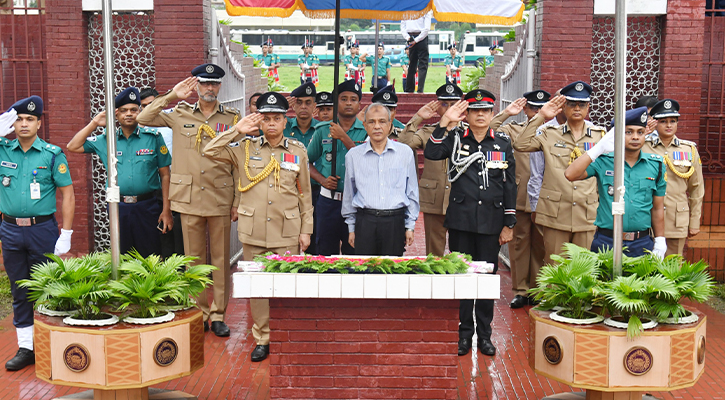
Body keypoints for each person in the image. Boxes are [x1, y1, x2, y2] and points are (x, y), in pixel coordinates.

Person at [204, 91, 313, 363]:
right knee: (258, 288)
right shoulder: (244, 148)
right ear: (259, 122)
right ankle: (262, 338)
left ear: (285, 121)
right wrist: (237, 130)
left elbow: (305, 195)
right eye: (266, 118)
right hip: (253, 232)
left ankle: (286, 335)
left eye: (277, 118)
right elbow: (209, 150)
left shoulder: (297, 151)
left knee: (287, 287)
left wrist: (306, 229)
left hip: (286, 230)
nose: (272, 123)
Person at [136, 63, 240, 337]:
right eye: (204, 83)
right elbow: (143, 118)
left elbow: (239, 162)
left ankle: (218, 315)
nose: (209, 88)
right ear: (197, 86)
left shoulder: (232, 118)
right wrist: (172, 96)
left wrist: (237, 200)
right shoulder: (178, 113)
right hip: (189, 196)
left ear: (219, 86)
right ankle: (200, 312)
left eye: (214, 83)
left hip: (220, 195)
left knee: (219, 260)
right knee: (193, 259)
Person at [424, 90, 516, 357]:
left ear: (491, 114)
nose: (480, 115)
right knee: (463, 279)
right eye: (475, 110)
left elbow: (510, 185)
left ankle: (485, 336)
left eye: (485, 111)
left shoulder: (502, 143)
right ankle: (464, 335)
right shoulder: (454, 138)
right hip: (462, 221)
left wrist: (509, 223)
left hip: (491, 222)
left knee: (486, 280)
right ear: (468, 114)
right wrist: (444, 124)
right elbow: (431, 153)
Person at [0, 96, 75, 371]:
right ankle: (26, 348)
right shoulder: (3, 149)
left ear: (39, 122)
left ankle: (52, 343)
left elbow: (67, 194)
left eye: (29, 119)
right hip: (9, 228)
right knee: (19, 288)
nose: (23, 124)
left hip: (41, 229)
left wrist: (66, 232)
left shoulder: (52, 154)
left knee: (49, 287)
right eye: (18, 119)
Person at [67, 87, 172, 257]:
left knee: (151, 256)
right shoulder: (107, 140)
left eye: (133, 110)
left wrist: (166, 210)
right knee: (122, 256)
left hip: (149, 206)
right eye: (123, 111)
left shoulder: (153, 137)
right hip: (118, 207)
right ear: (116, 115)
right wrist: (94, 123)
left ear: (140, 112)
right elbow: (73, 146)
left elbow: (165, 175)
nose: (128, 114)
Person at [513, 81, 605, 264]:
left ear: (588, 107)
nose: (577, 108)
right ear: (563, 106)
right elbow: (520, 145)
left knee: (584, 269)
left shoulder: (600, 135)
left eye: (582, 104)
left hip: (586, 212)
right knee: (555, 268)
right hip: (555, 212)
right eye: (571, 104)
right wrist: (541, 116)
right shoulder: (548, 132)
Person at [565, 107, 667, 258]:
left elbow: (657, 208)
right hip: (607, 241)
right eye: (628, 132)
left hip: (642, 242)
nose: (635, 137)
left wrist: (660, 240)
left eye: (640, 132)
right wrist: (598, 149)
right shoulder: (604, 161)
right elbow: (570, 174)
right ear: (617, 135)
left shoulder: (656, 165)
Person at [489, 90, 550, 309]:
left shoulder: (556, 131)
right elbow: (489, 130)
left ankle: (540, 289)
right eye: (533, 109)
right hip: (522, 195)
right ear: (525, 109)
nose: (537, 114)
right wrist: (506, 113)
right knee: (520, 244)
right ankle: (521, 290)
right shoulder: (515, 130)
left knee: (544, 245)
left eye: (541, 110)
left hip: (550, 197)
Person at [342, 103, 419, 256]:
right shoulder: (353, 156)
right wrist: (351, 228)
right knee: (364, 273)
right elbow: (349, 194)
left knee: (392, 273)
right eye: (372, 122)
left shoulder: (405, 153)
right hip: (365, 221)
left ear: (390, 124)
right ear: (364, 125)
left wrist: (410, 226)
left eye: (382, 121)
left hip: (394, 221)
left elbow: (412, 191)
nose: (377, 126)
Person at [398, 83, 463, 256]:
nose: (449, 109)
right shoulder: (429, 132)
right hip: (435, 197)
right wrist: (418, 118)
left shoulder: (469, 133)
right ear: (437, 106)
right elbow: (404, 145)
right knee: (434, 253)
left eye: (453, 104)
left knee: (462, 250)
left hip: (462, 198)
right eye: (444, 104)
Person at [307, 80, 368, 255]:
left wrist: (344, 138)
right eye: (343, 99)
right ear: (336, 102)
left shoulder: (366, 131)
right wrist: (322, 180)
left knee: (355, 254)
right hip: (328, 201)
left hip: (357, 202)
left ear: (359, 104)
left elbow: (368, 162)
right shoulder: (323, 130)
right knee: (325, 252)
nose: (349, 103)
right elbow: (305, 161)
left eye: (353, 99)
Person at [644, 99, 704, 256]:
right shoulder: (643, 146)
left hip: (676, 220)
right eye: (663, 121)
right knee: (645, 270)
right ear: (655, 123)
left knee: (672, 271)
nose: (669, 125)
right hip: (647, 219)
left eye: (673, 121)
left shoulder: (689, 149)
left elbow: (697, 188)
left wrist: (695, 221)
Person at [140, 87, 185, 259]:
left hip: (174, 184)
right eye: (144, 106)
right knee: (156, 232)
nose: (148, 108)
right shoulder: (137, 128)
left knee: (176, 232)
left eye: (152, 104)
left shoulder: (170, 124)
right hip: (151, 189)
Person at [284, 82, 322, 255]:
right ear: (293, 105)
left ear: (315, 106)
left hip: (316, 193)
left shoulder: (323, 129)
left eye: (308, 102)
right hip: (288, 194)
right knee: (287, 241)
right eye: (299, 102)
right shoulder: (283, 127)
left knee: (316, 243)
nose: (304, 107)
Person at [401, 10, 432, 93]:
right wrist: (414, 40)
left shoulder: (407, 8)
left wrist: (409, 38)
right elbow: (427, 28)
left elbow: (402, 26)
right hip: (421, 37)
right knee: (422, 65)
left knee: (412, 64)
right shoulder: (426, 8)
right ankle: (419, 90)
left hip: (412, 36)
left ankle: (409, 89)